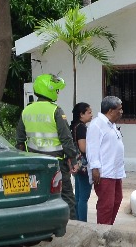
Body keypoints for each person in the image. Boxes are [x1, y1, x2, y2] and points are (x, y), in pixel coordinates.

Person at [15, 74, 77, 215]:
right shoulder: (55, 110)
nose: (57, 93)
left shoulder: (26, 110)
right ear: (49, 89)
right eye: (56, 90)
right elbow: (66, 138)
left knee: (38, 196)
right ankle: (71, 225)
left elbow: (19, 141)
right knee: (66, 197)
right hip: (56, 163)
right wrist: (73, 159)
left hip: (34, 164)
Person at [87, 96, 126, 224]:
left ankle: (109, 226)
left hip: (115, 171)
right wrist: (95, 168)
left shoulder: (111, 125)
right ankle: (102, 230)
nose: (121, 112)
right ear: (110, 111)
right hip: (104, 172)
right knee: (106, 204)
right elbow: (92, 148)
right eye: (119, 109)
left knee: (117, 200)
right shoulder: (97, 125)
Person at [71, 102, 93, 221]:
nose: (91, 114)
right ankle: (83, 222)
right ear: (81, 114)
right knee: (84, 197)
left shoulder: (74, 126)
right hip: (83, 165)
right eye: (89, 112)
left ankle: (77, 220)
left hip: (76, 163)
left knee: (78, 196)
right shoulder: (82, 128)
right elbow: (83, 148)